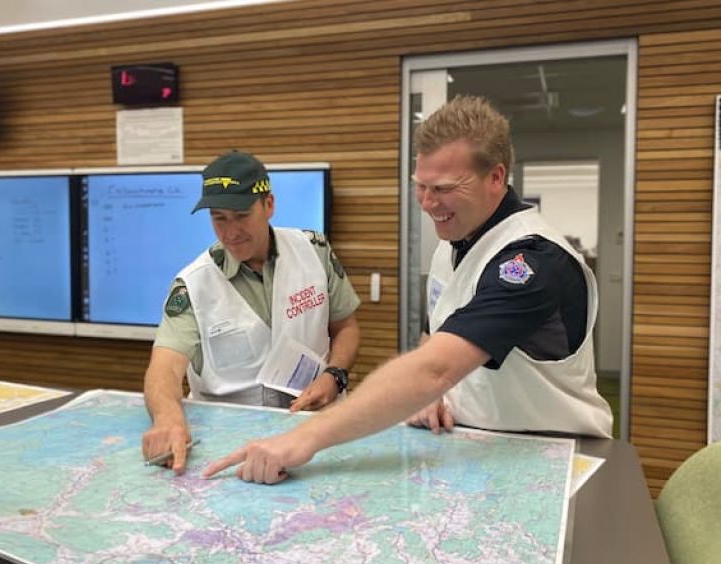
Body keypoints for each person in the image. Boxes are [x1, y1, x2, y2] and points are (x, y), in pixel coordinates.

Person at [202, 96, 613, 485]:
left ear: (496, 176)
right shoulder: (453, 245)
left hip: (552, 455)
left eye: (446, 188)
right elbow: (436, 340)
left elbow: (434, 368)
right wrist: (435, 397)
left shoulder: (531, 262)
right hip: (478, 445)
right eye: (422, 186)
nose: (429, 203)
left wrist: (301, 439)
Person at [141, 151, 361, 473]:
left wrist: (335, 375)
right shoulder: (193, 285)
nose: (230, 232)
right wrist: (167, 418)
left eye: (241, 215)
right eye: (219, 218)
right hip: (231, 447)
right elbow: (164, 369)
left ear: (268, 205)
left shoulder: (313, 251)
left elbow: (346, 328)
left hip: (312, 431)